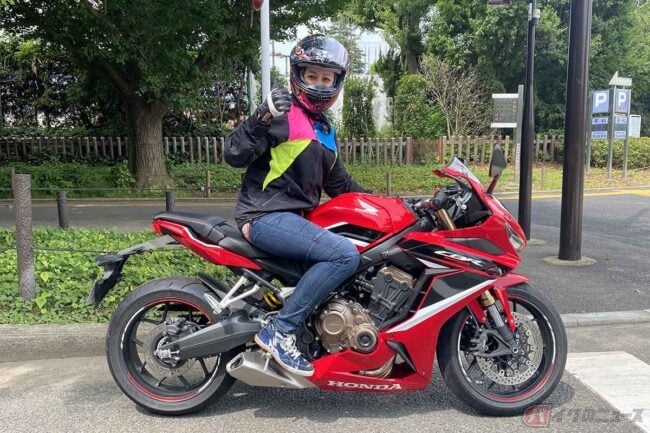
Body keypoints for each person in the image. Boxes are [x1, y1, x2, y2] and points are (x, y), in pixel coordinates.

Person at [224, 34, 367, 377]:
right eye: (312, 75)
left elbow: (341, 185)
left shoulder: (325, 130)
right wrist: (259, 118)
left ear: (336, 82)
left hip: (294, 221)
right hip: (265, 215)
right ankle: (280, 331)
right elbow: (233, 154)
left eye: (327, 78)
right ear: (297, 74)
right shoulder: (282, 114)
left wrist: (394, 208)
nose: (319, 83)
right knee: (343, 255)